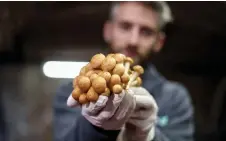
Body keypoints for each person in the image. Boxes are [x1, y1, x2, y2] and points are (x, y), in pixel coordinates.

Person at [53, 1, 194, 141]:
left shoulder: (174, 97)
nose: (133, 41)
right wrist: (97, 126)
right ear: (108, 31)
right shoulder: (72, 91)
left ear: (159, 42)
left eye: (146, 32)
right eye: (125, 27)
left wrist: (148, 135)